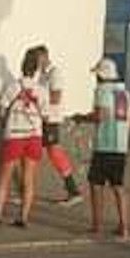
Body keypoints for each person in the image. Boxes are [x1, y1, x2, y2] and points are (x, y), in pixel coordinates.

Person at [0, 49, 48, 228]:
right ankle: (23, 218)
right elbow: (46, 114)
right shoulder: (41, 90)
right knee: (29, 178)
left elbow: (2, 108)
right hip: (34, 134)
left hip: (15, 134)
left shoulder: (13, 86)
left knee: (5, 176)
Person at [77, 57, 130, 239]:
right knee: (118, 186)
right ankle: (124, 226)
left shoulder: (102, 91)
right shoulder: (125, 93)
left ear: (102, 76)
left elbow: (100, 115)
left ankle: (97, 224)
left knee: (96, 185)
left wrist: (82, 117)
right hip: (121, 146)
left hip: (104, 144)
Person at [31, 45, 84, 206]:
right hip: (42, 119)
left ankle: (73, 191)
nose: (36, 62)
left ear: (44, 57)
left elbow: (55, 97)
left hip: (50, 120)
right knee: (34, 153)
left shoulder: (55, 73)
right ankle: (28, 191)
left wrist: (37, 103)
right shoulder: (41, 76)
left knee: (54, 153)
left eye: (37, 59)